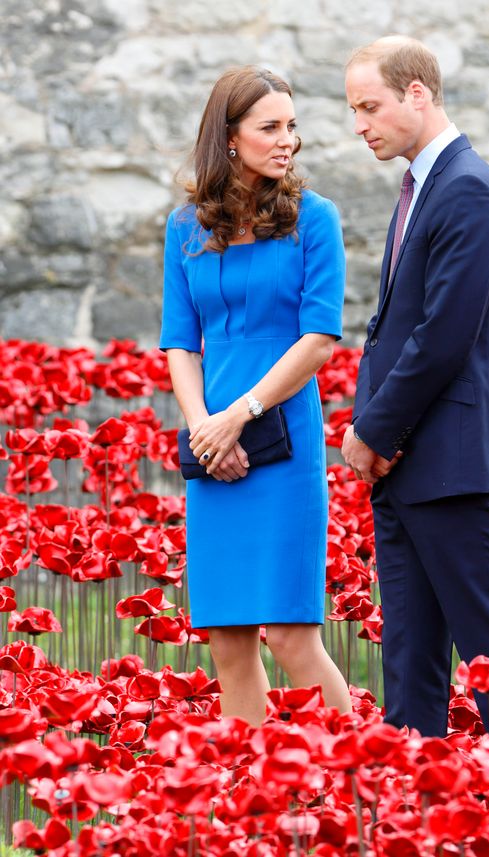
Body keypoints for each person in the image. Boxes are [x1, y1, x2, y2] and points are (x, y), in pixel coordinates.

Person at [341, 37, 489, 750]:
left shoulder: (466, 186)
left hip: (448, 461)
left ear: (419, 95)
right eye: (354, 110)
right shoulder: (426, 185)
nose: (360, 124)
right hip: (410, 466)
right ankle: (413, 801)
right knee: (410, 654)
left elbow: (443, 335)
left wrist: (373, 429)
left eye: (370, 106)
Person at [160, 66, 351, 724]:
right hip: (213, 449)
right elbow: (180, 343)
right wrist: (203, 429)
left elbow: (320, 338)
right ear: (230, 139)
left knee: (293, 635)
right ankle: (254, 805)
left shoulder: (316, 219)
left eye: (292, 126)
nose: (286, 140)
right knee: (228, 642)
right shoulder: (184, 228)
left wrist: (240, 415)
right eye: (270, 127)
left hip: (284, 441)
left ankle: (356, 781)